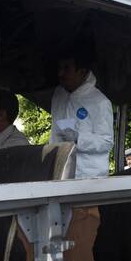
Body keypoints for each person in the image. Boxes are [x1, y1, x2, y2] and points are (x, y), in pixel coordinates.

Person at [48, 50, 113, 178]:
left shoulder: (100, 102)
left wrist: (78, 138)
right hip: (58, 174)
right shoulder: (58, 95)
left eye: (67, 68)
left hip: (88, 178)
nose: (60, 73)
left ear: (83, 71)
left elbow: (106, 142)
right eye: (59, 68)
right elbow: (54, 134)